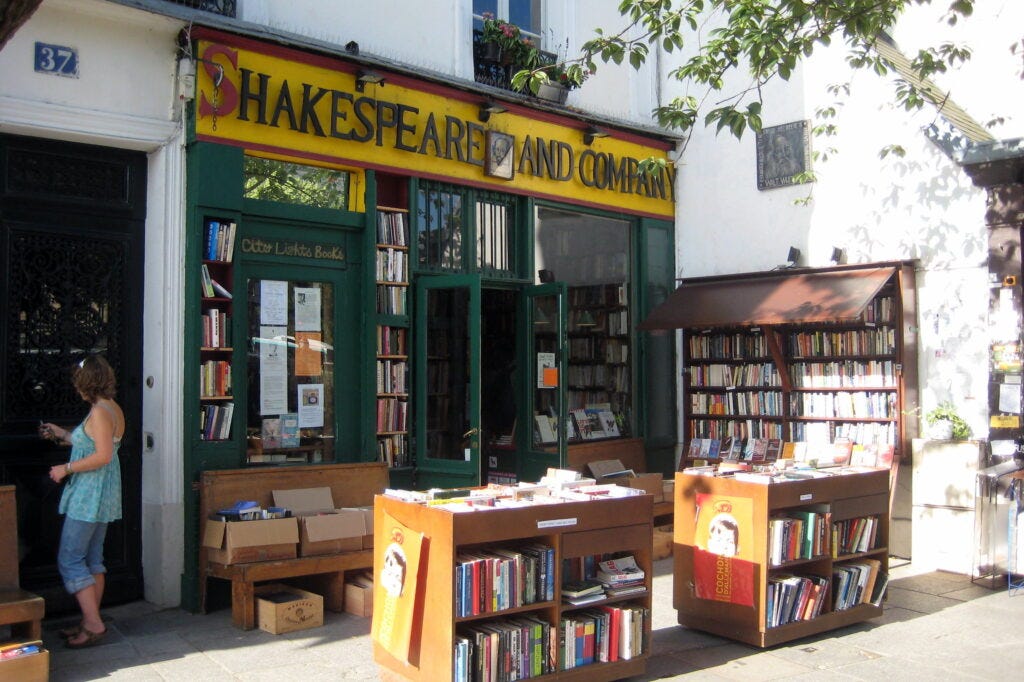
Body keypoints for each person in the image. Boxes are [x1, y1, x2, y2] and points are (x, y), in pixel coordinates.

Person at [40, 355, 125, 649]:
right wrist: (62, 433)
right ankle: (91, 620)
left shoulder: (100, 412)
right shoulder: (110, 408)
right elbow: (93, 443)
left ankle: (93, 623)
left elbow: (101, 455)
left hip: (88, 495)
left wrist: (65, 469)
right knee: (92, 559)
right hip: (102, 494)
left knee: (71, 559)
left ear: (85, 383)